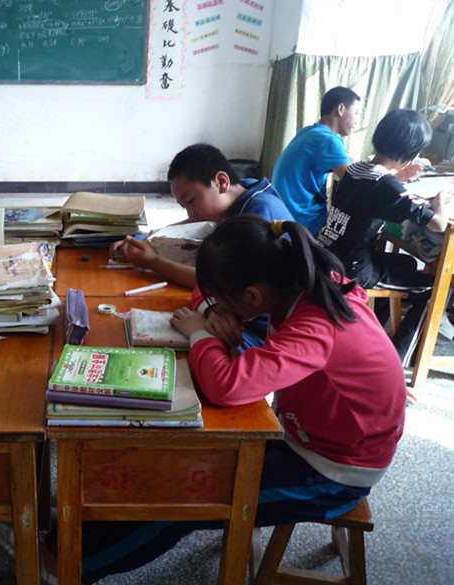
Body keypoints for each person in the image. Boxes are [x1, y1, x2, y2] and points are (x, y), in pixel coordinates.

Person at [170, 214, 406, 526]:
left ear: (252, 296)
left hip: (334, 471)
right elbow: (205, 288)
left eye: (223, 300)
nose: (221, 304)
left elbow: (226, 387)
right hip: (303, 435)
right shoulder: (302, 279)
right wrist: (212, 310)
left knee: (182, 501)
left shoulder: (316, 328)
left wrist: (200, 334)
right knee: (181, 460)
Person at [109, 143, 293, 350]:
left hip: (259, 331)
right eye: (184, 206)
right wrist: (146, 238)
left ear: (221, 182)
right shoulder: (241, 191)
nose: (189, 213)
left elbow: (211, 280)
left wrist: (154, 262)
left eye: (191, 201)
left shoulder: (259, 215)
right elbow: (195, 221)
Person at [318, 108, 450, 367]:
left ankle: (372, 330)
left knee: (407, 264)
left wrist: (398, 178)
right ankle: (398, 360)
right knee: (434, 289)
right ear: (411, 153)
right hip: (352, 269)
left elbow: (376, 192)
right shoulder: (387, 186)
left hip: (329, 254)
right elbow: (438, 224)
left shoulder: (355, 169)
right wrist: (440, 202)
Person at [272, 86, 361, 234]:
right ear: (340, 109)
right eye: (356, 113)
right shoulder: (328, 140)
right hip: (303, 224)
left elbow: (344, 160)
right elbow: (354, 182)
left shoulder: (308, 132)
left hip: (281, 216)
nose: (357, 121)